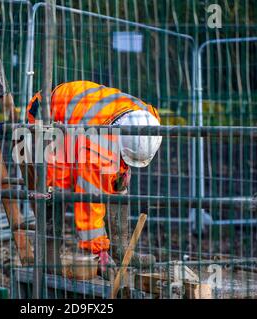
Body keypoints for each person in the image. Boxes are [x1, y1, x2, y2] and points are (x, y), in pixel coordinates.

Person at [26, 80, 162, 274]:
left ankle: (121, 250)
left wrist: (123, 169)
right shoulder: (96, 148)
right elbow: (89, 202)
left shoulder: (149, 117)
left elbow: (127, 154)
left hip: (82, 115)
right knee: (58, 187)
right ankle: (51, 258)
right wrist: (99, 251)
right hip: (48, 114)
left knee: (114, 181)